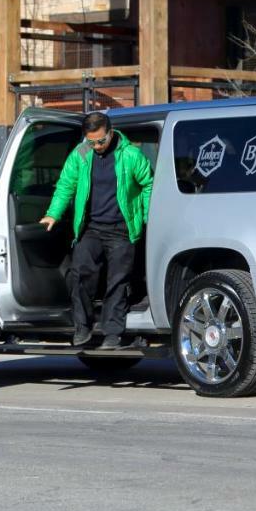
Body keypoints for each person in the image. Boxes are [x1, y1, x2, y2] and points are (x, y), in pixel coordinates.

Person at [40, 111, 153, 349]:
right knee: (80, 274)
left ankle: (113, 334)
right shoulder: (80, 155)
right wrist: (53, 213)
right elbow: (66, 186)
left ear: (111, 132)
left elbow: (148, 184)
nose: (98, 146)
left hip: (122, 230)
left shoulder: (131, 155)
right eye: (92, 142)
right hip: (91, 228)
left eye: (101, 140)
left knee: (117, 282)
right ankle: (83, 327)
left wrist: (145, 216)